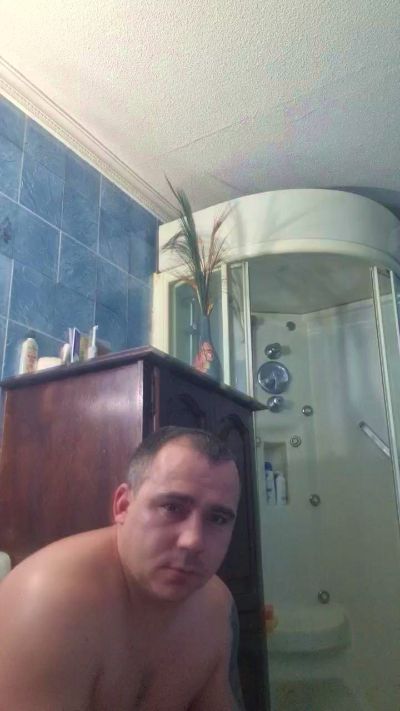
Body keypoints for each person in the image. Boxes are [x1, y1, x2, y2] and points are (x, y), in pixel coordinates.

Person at [0, 426, 246, 710]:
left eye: (218, 518)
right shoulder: (49, 600)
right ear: (123, 505)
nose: (193, 541)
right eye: (172, 507)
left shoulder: (215, 604)